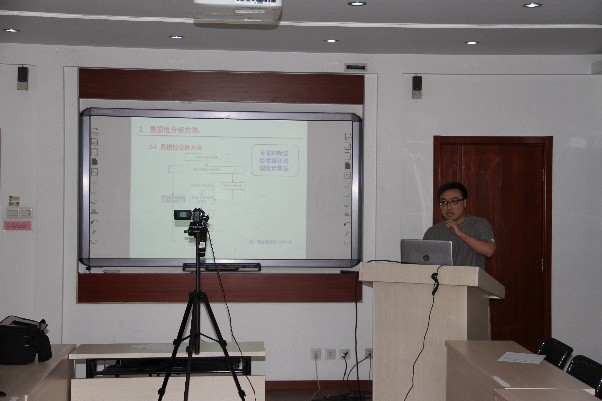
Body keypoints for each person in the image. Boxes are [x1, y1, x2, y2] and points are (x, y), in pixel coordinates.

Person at [423, 181, 495, 268]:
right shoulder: (433, 232)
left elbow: (489, 251)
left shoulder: (479, 224)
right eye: (444, 202)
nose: (449, 207)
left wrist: (460, 234)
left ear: (464, 203)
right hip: (442, 276)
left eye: (454, 201)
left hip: (470, 276)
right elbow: (424, 261)